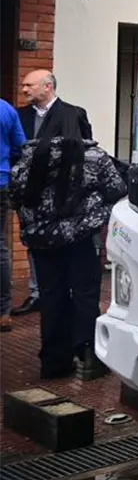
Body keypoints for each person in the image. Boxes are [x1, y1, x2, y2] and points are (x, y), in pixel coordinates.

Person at [9, 136, 126, 378]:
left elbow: (16, 195)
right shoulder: (94, 157)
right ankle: (88, 357)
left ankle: (54, 362)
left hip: (43, 240)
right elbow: (117, 190)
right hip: (82, 237)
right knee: (85, 294)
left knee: (52, 296)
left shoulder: (29, 158)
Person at [12, 70, 92, 316]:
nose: (24, 90)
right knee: (34, 240)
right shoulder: (19, 116)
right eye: (23, 85)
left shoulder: (73, 113)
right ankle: (37, 292)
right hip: (30, 193)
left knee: (63, 244)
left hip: (63, 196)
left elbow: (86, 150)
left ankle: (60, 292)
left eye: (29, 85)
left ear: (47, 87)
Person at [0, 96, 26, 332]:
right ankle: (3, 312)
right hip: (1, 182)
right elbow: (21, 147)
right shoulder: (6, 110)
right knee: (1, 248)